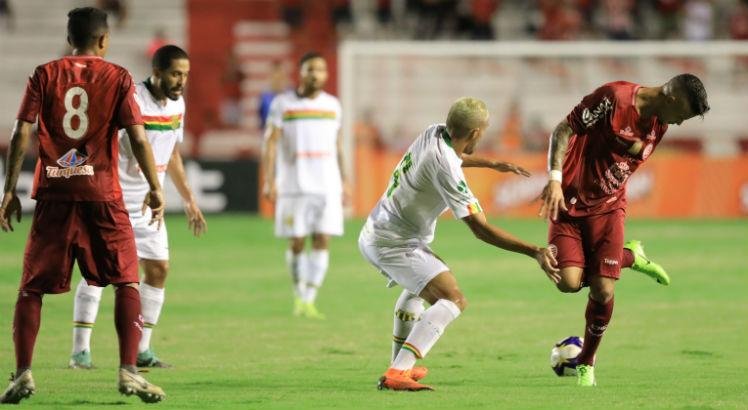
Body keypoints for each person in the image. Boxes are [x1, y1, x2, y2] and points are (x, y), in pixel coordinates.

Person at [0, 7, 166, 403]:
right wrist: (154, 186)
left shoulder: (44, 73)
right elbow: (139, 139)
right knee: (126, 280)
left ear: (69, 36)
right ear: (104, 40)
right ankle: (128, 372)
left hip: (54, 195)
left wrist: (8, 191)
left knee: (31, 288)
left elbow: (22, 130)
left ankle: (23, 373)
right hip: (102, 194)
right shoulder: (119, 77)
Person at [359, 97, 560, 391]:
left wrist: (491, 163)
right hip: (393, 243)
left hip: (379, 230)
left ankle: (399, 367)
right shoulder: (446, 169)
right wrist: (535, 251)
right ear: (476, 133)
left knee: (417, 292)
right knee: (452, 299)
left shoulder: (433, 132)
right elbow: (481, 229)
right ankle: (397, 371)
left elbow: (456, 156)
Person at [539, 74, 709, 387]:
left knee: (603, 289)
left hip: (608, 208)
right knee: (567, 282)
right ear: (671, 98)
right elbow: (563, 130)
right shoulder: (614, 99)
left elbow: (627, 158)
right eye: (683, 115)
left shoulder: (660, 125)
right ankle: (629, 257)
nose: (680, 123)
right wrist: (553, 178)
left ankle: (586, 361)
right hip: (570, 201)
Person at [69, 45, 206, 370]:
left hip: (150, 204)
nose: (181, 81)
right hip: (114, 198)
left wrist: (189, 199)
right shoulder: (130, 98)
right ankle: (80, 351)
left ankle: (143, 349)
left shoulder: (178, 104)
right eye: (175, 73)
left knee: (158, 269)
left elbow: (171, 153)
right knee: (98, 272)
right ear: (156, 72)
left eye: (185, 75)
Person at [262, 51, 349, 320]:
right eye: (311, 69)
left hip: (327, 185)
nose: (316, 74)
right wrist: (269, 179)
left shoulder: (333, 105)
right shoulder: (283, 104)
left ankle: (310, 298)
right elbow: (271, 142)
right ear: (300, 72)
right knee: (297, 241)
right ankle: (299, 293)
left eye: (321, 70)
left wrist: (344, 181)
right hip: (294, 185)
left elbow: (338, 145)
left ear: (326, 75)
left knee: (323, 239)